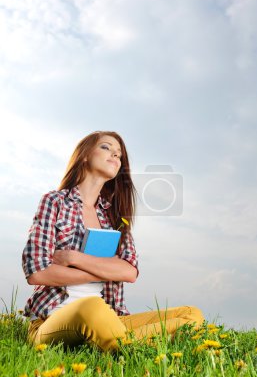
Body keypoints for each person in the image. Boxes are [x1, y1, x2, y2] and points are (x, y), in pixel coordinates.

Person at [22, 131, 204, 351]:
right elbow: (37, 273)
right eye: (106, 148)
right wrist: (107, 269)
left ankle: (114, 340)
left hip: (111, 316)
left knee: (191, 314)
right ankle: (140, 345)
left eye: (119, 155)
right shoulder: (54, 201)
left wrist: (73, 257)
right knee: (90, 307)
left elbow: (129, 272)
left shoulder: (114, 216)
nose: (115, 156)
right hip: (54, 317)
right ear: (85, 155)